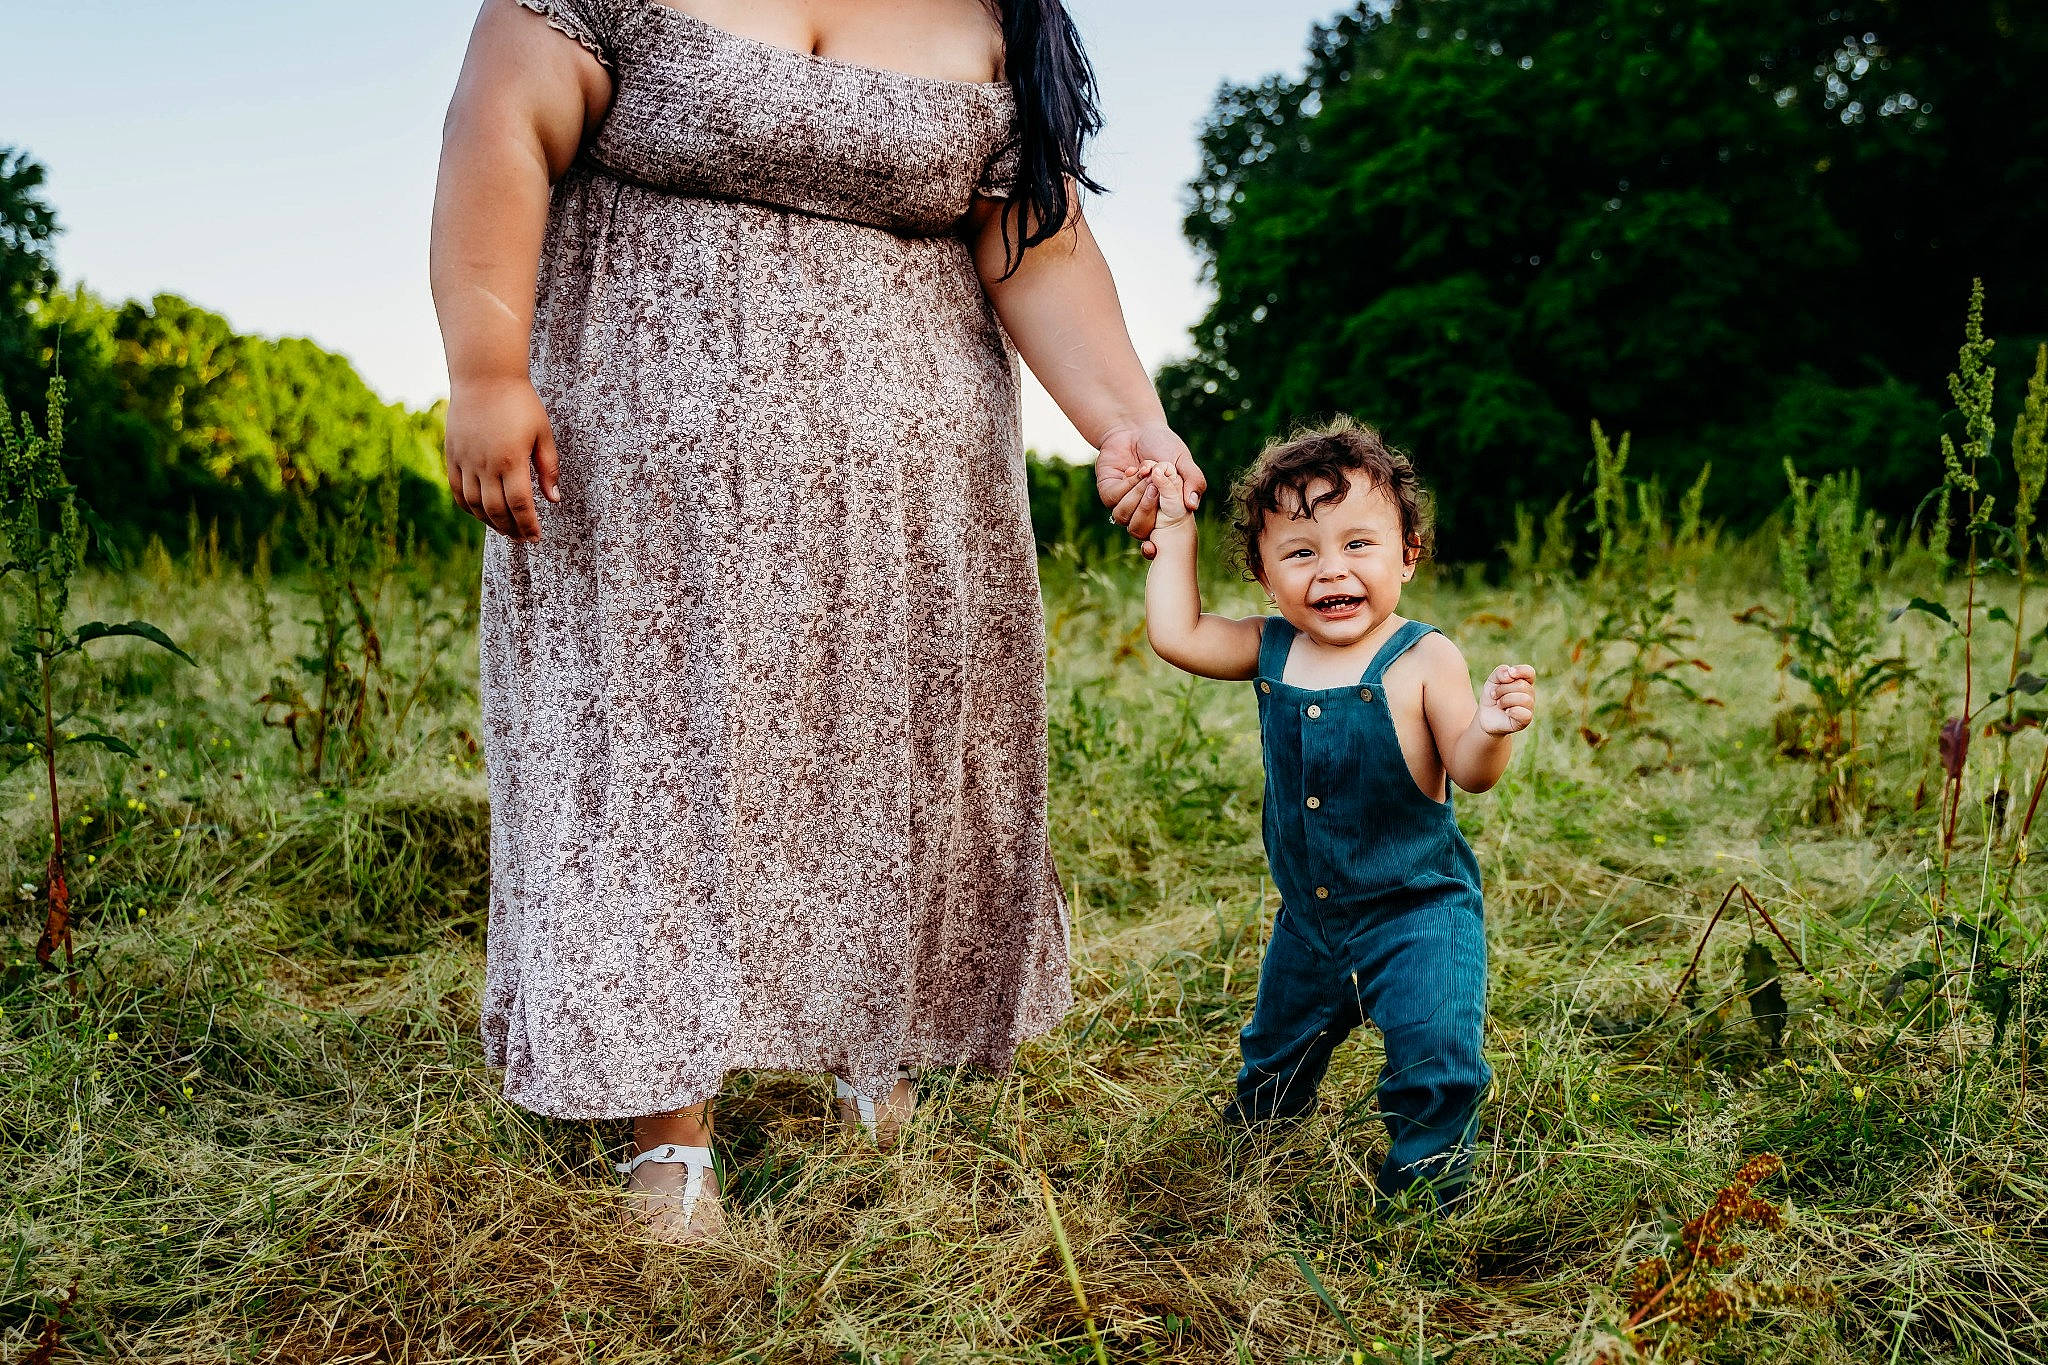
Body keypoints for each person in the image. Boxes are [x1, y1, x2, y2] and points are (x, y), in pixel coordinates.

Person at [429, 0, 1202, 1241]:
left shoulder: (992, 10)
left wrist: (1126, 419)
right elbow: (501, 129)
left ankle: (869, 1053)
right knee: (653, 773)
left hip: (910, 494)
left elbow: (1035, 244)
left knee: (879, 770)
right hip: (644, 486)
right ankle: (665, 1133)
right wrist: (485, 368)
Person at [1137, 418, 1535, 1208]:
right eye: (1300, 552)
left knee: (1435, 1055)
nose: (1332, 571)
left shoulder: (1426, 657)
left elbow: (1469, 770)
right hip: (1311, 923)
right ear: (1262, 571)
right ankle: (1249, 1162)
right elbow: (1176, 634)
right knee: (1274, 1057)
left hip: (1418, 912)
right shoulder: (1271, 647)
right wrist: (1174, 528)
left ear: (1408, 555)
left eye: (1359, 545)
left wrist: (1489, 730)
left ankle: (1428, 1196)